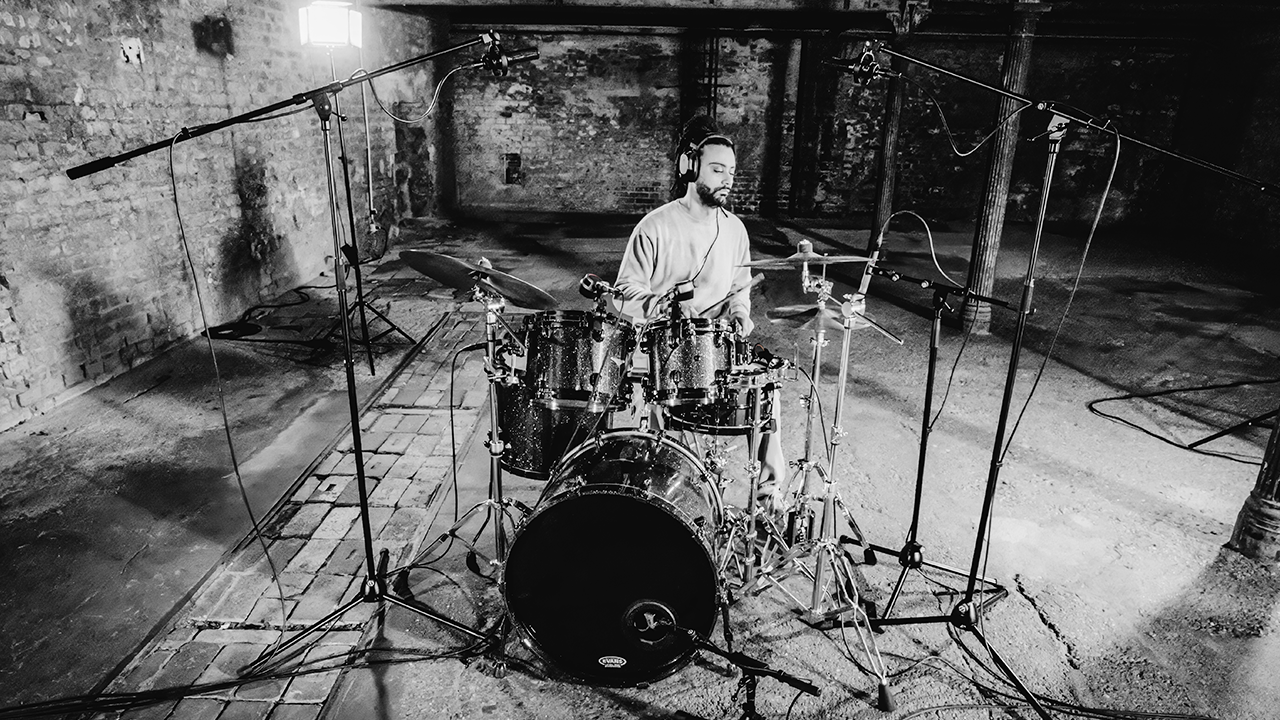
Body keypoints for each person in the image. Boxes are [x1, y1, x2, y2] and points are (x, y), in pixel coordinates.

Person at [613, 117, 784, 508]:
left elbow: (740, 287)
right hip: (662, 353)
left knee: (766, 389)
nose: (728, 180)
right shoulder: (655, 227)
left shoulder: (735, 230)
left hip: (717, 351)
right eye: (718, 169)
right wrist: (662, 304)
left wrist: (740, 312)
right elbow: (623, 293)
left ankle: (769, 498)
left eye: (732, 172)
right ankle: (667, 497)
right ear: (689, 168)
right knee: (662, 426)